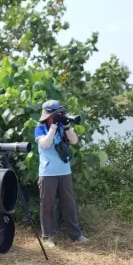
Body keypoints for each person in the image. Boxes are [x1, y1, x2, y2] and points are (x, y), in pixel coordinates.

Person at [34, 99, 90, 248]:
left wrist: (66, 126)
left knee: (69, 203)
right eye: (54, 115)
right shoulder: (40, 128)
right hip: (47, 173)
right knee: (47, 205)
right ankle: (48, 237)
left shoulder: (61, 127)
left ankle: (76, 235)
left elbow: (74, 141)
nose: (56, 117)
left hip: (64, 171)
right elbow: (45, 143)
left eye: (58, 114)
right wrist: (53, 126)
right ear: (47, 116)